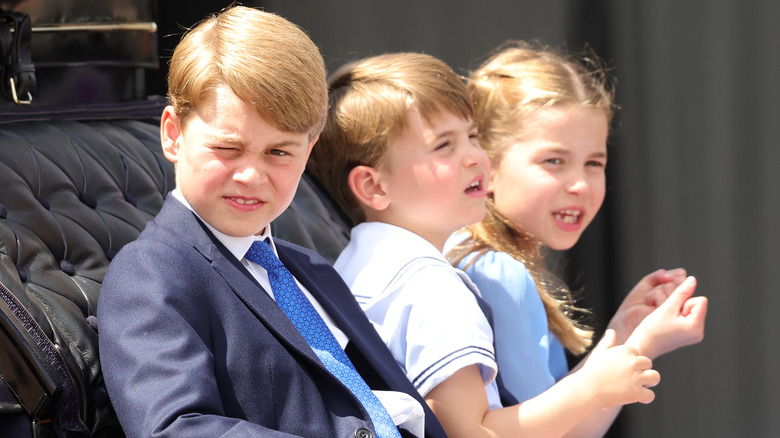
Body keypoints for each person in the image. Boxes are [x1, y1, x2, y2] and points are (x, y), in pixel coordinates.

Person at [97, 6, 447, 438]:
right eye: (227, 148)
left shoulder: (312, 270)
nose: (251, 175)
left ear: (309, 150)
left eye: (279, 152)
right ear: (173, 134)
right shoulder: (152, 274)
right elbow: (175, 428)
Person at [308, 51, 664, 438]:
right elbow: (469, 432)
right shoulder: (435, 289)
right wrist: (593, 388)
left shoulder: (347, 269)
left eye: (472, 137)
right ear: (373, 186)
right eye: (444, 145)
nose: (475, 158)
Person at [445, 41, 709, 436]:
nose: (580, 185)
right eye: (554, 160)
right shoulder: (498, 274)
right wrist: (641, 347)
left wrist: (628, 331)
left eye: (594, 163)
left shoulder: (467, 254)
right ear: (488, 166)